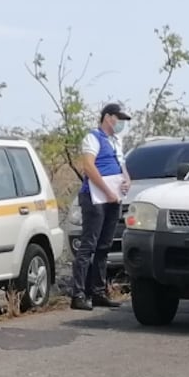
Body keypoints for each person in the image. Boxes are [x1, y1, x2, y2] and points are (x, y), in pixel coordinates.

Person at [71, 102, 133, 311]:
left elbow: (122, 165)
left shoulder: (116, 141)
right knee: (89, 245)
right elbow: (88, 166)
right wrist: (107, 190)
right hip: (95, 198)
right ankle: (78, 294)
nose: (121, 123)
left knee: (104, 246)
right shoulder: (93, 137)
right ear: (108, 117)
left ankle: (97, 292)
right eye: (118, 118)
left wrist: (126, 180)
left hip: (113, 199)